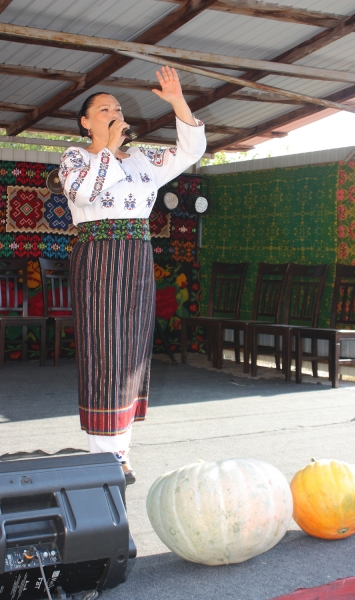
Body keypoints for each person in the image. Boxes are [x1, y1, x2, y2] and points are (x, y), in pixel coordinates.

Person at [59, 66, 206, 484]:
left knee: (133, 351)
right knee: (104, 348)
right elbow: (86, 192)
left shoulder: (143, 159)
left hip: (138, 255)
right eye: (103, 109)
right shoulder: (76, 158)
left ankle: (120, 453)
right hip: (98, 256)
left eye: (117, 108)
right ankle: (103, 458)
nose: (114, 112)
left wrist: (177, 100)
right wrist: (106, 148)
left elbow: (191, 150)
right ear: (85, 121)